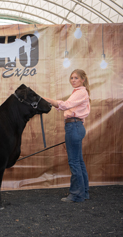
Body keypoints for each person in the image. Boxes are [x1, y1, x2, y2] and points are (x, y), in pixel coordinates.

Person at [44, 69, 91, 203]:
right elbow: (68, 107)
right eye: (71, 78)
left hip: (74, 127)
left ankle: (77, 195)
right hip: (77, 126)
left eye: (76, 78)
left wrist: (49, 100)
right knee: (79, 161)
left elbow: (65, 106)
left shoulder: (81, 92)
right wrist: (54, 104)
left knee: (74, 162)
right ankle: (84, 192)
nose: (73, 80)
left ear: (82, 79)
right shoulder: (80, 92)